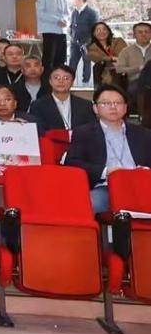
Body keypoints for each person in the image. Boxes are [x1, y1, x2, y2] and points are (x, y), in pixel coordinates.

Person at [65, 85, 151, 213]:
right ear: (95, 108)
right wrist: (105, 171)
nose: (113, 107)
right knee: (89, 204)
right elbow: (72, 163)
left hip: (141, 186)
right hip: (106, 187)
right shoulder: (84, 133)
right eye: (106, 103)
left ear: (125, 108)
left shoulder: (143, 134)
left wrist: (145, 170)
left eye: (118, 103)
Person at [36, 0, 71, 70]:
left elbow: (67, 13)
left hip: (62, 31)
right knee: (49, 58)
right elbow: (40, 13)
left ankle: (59, 75)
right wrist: (57, 20)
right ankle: (47, 77)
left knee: (61, 57)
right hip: (49, 30)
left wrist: (65, 21)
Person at [114, 22, 151, 101]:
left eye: (146, 32)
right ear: (134, 35)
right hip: (135, 81)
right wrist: (138, 68)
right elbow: (119, 69)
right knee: (135, 90)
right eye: (140, 32)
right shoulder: (126, 51)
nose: (144, 34)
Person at [68, 0, 99, 85]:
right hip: (74, 43)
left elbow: (95, 29)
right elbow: (71, 26)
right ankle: (69, 82)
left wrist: (88, 42)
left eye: (76, 0)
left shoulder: (92, 13)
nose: (74, 2)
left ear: (81, 0)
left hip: (86, 43)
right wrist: (71, 35)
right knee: (72, 63)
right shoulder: (74, 12)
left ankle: (85, 84)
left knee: (86, 63)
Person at [88, 21, 127, 90]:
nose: (101, 32)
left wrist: (115, 61)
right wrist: (111, 58)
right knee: (97, 66)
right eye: (98, 30)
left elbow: (122, 55)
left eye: (104, 29)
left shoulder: (118, 41)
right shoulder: (92, 47)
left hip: (120, 69)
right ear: (94, 34)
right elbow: (97, 58)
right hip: (103, 71)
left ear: (108, 31)